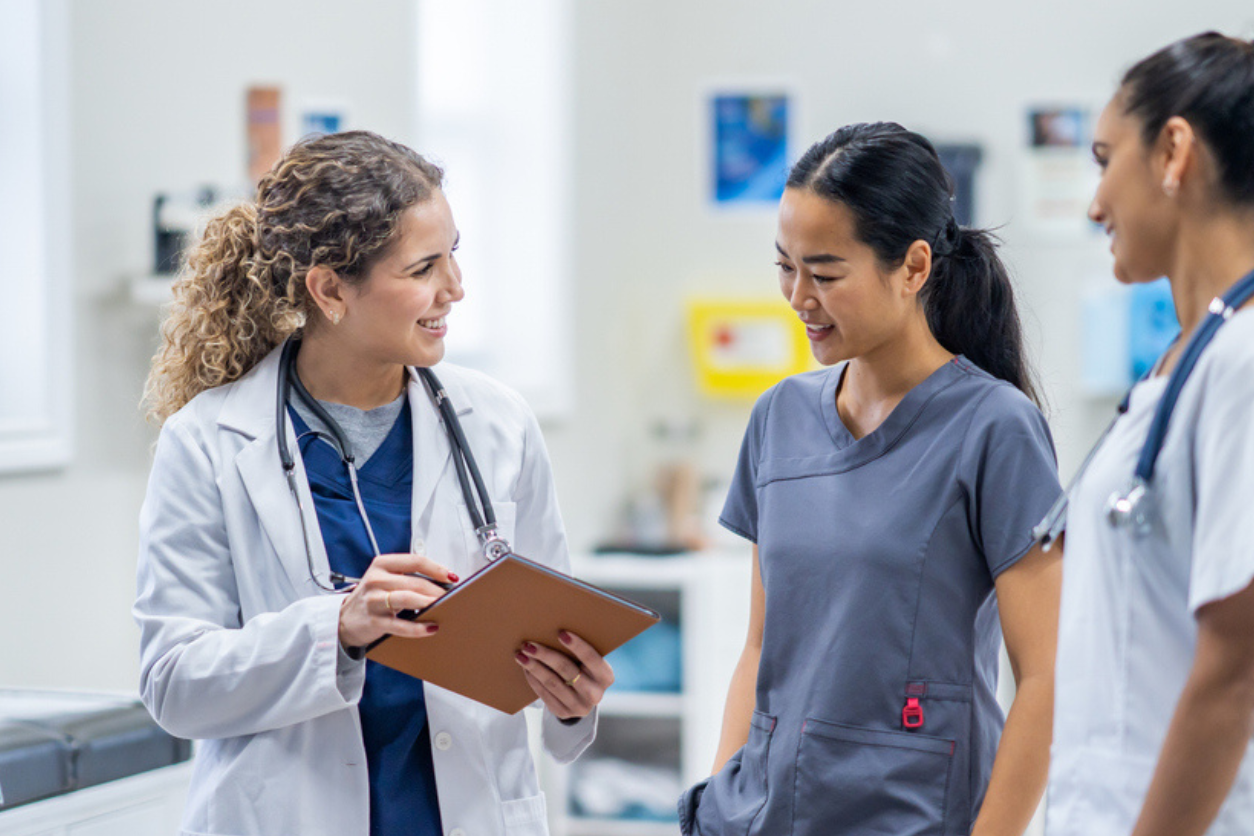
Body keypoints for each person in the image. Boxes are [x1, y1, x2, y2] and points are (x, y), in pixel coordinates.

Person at [135, 130, 610, 836]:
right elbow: (174, 682)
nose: (455, 287)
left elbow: (553, 637)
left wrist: (572, 694)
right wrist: (339, 628)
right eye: (423, 268)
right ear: (330, 289)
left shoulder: (498, 424)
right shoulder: (208, 442)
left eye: (455, 253)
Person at [679, 123, 1063, 836]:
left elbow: (1044, 679)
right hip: (761, 815)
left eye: (824, 274)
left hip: (915, 816)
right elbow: (761, 648)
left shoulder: (994, 429)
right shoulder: (778, 419)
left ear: (914, 267)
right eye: (784, 267)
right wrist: (719, 800)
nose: (798, 297)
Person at [1043, 32, 1254, 836]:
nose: (1095, 203)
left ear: (1174, 151)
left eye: (1103, 160)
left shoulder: (1243, 362)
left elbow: (1237, 670)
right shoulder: (1189, 361)